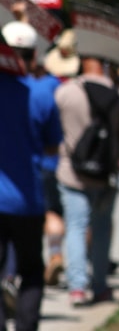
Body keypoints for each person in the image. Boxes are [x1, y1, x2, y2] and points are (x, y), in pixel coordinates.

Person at [55, 56, 119, 307]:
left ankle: (77, 287)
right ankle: (100, 286)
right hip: (105, 174)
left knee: (76, 227)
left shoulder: (66, 92)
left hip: (71, 172)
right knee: (101, 229)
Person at [0, 21, 63, 330]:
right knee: (31, 271)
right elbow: (53, 146)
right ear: (34, 55)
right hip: (28, 200)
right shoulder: (41, 95)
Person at [39, 29, 81, 286]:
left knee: (52, 212)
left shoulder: (42, 88)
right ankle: (81, 265)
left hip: (47, 162)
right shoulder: (79, 88)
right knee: (78, 217)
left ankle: (55, 255)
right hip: (76, 162)